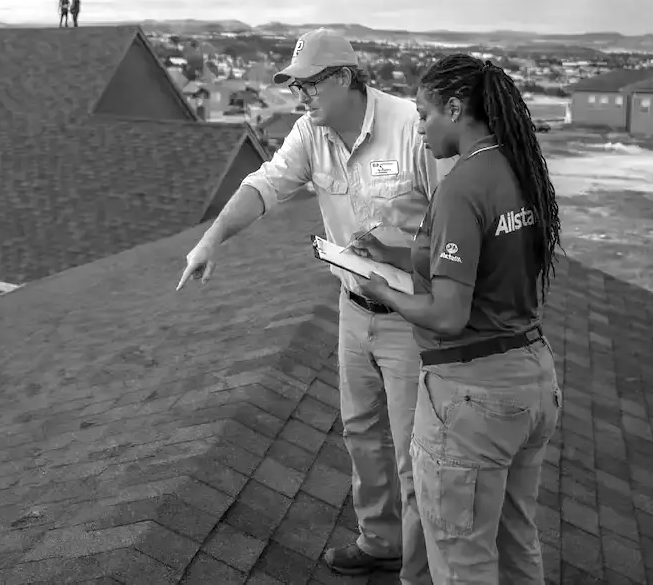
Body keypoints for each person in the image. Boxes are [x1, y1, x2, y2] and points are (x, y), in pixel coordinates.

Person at [178, 28, 453, 584]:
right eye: (294, 85)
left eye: (309, 84)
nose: (300, 95)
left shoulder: (411, 129)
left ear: (345, 78)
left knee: (412, 450)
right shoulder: (311, 133)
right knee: (360, 431)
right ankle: (381, 542)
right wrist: (212, 239)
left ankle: (419, 572)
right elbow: (265, 186)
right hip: (354, 308)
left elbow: (454, 229)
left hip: (409, 315)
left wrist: (397, 248)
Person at [358, 54, 564, 584]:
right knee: (516, 542)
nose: (421, 128)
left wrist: (384, 291)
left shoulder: (462, 185)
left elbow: (448, 314)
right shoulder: (518, 168)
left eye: (426, 115)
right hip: (532, 378)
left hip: (473, 396)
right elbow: (480, 263)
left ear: (455, 107)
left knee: (460, 558)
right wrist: (394, 255)